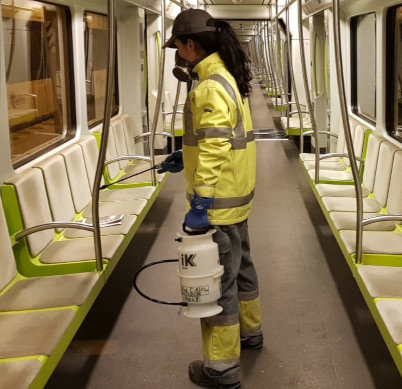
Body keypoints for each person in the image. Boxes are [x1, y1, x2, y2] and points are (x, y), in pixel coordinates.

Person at [158, 8, 260, 389]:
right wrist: (184, 155)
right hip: (238, 195)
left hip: (218, 202)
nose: (177, 55)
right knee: (243, 267)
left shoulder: (209, 87)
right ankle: (251, 335)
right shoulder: (227, 77)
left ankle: (221, 369)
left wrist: (199, 204)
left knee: (220, 282)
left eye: (178, 47)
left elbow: (217, 144)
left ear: (190, 45)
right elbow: (216, 139)